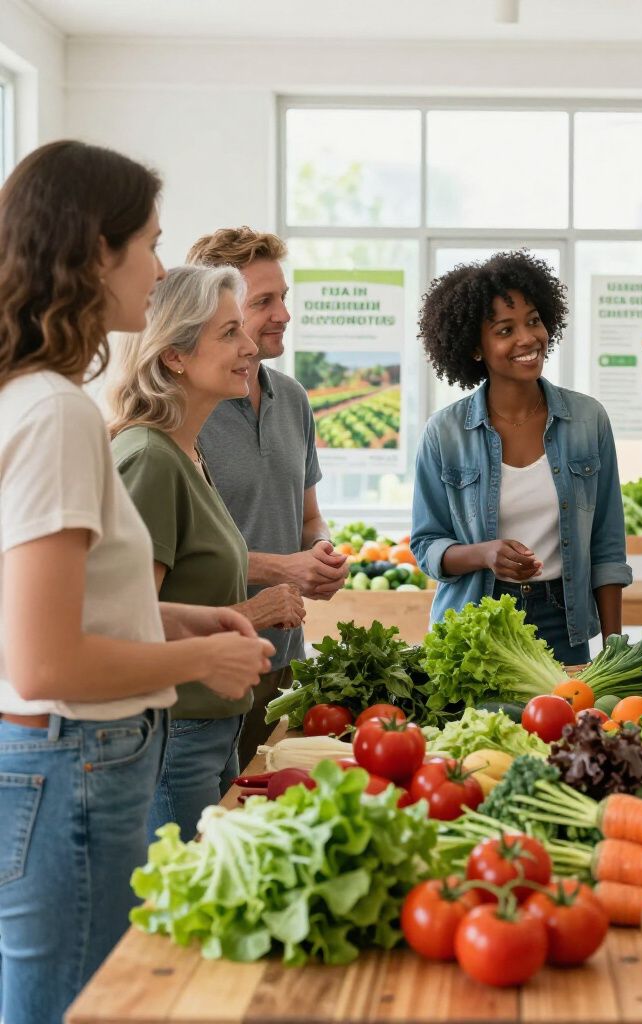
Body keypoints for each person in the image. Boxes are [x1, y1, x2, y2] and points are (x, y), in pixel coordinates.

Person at [0, 141, 270, 1024]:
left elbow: (67, 609)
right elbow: (44, 661)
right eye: (150, 244)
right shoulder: (57, 415)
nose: (161, 269)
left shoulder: (30, 398)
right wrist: (193, 666)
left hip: (64, 759)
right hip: (73, 758)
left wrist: (186, 620)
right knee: (72, 1006)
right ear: (94, 252)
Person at [108, 264, 302, 840]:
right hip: (176, 735)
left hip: (212, 727)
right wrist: (253, 615)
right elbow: (130, 627)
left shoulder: (185, 453)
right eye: (228, 333)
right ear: (174, 355)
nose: (249, 346)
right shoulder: (149, 459)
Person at [411, 250, 632, 664]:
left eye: (533, 321)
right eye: (504, 329)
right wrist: (485, 554)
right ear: (475, 348)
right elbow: (427, 546)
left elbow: (607, 545)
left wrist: (615, 649)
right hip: (475, 623)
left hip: (562, 622)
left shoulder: (587, 420)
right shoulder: (444, 433)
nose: (528, 338)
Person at [187, 228, 347, 768]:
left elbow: (309, 516)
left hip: (283, 660)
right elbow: (183, 559)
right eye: (263, 302)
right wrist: (285, 570)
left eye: (284, 297)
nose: (283, 314)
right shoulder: (186, 414)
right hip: (209, 669)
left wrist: (320, 554)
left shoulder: (295, 399)